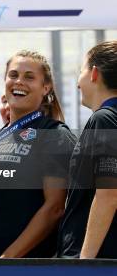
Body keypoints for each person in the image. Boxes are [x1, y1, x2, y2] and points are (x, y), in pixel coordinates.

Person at [0, 50, 76, 258]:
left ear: (46, 87)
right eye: (13, 75)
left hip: (21, 267)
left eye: (29, 77)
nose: (19, 82)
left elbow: (54, 208)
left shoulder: (54, 135)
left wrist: (8, 258)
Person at [59, 40, 117, 258]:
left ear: (94, 73)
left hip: (98, 260)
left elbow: (109, 193)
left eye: (80, 71)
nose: (77, 83)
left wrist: (85, 260)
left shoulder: (104, 119)